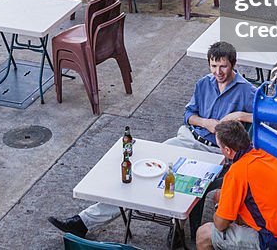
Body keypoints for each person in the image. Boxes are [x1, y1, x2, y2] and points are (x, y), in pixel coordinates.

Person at [49, 38, 254, 239]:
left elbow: (266, 118)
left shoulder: (245, 89)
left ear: (233, 65)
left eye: (223, 67)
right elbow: (188, 115)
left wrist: (240, 116)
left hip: (214, 152)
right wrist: (205, 123)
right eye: (214, 66)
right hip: (187, 139)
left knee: (176, 183)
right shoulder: (203, 84)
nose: (218, 72)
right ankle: (83, 221)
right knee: (141, 173)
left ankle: (177, 229)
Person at [195, 120, 277, 250]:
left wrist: (218, 208)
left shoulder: (237, 172)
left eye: (219, 146)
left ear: (227, 150)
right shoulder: (266, 151)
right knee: (220, 196)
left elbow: (220, 225)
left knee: (204, 235)